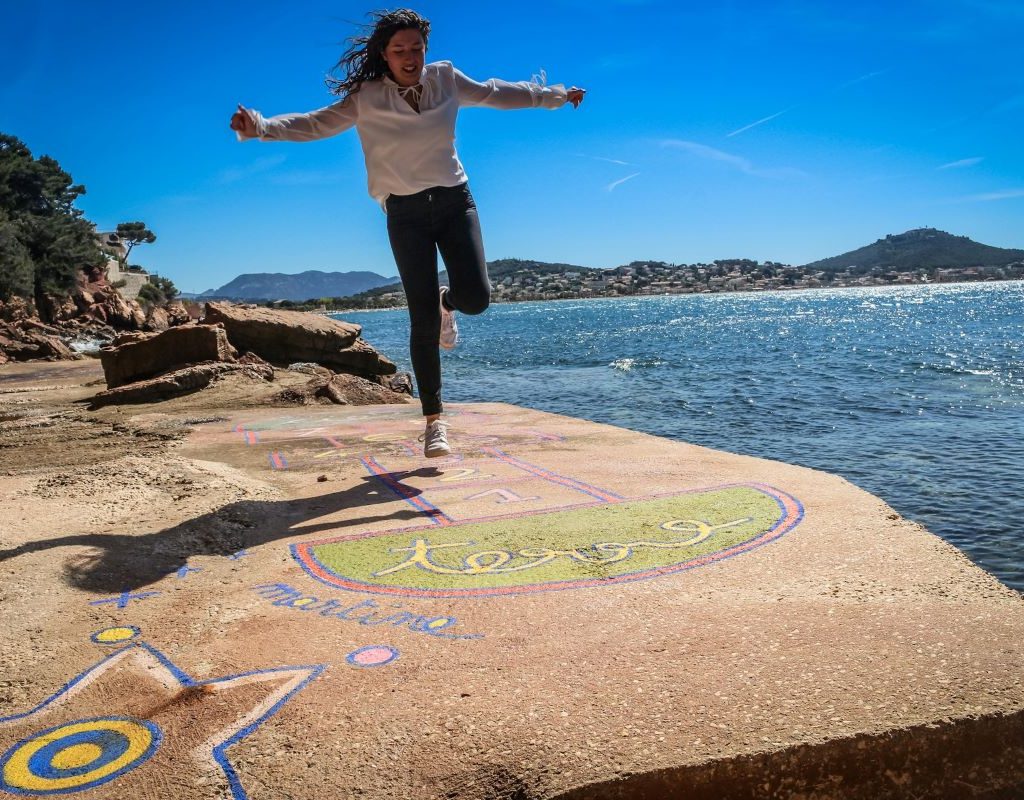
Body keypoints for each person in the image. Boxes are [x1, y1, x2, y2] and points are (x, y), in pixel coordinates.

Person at [231, 8, 585, 458]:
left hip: (456, 200)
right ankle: (434, 422)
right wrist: (261, 127)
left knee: (476, 298)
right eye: (400, 49)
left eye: (416, 47)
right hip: (405, 213)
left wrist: (554, 95)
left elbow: (499, 93)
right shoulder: (368, 96)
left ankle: (448, 303)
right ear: (385, 53)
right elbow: (316, 123)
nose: (410, 56)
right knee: (420, 321)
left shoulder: (446, 79)